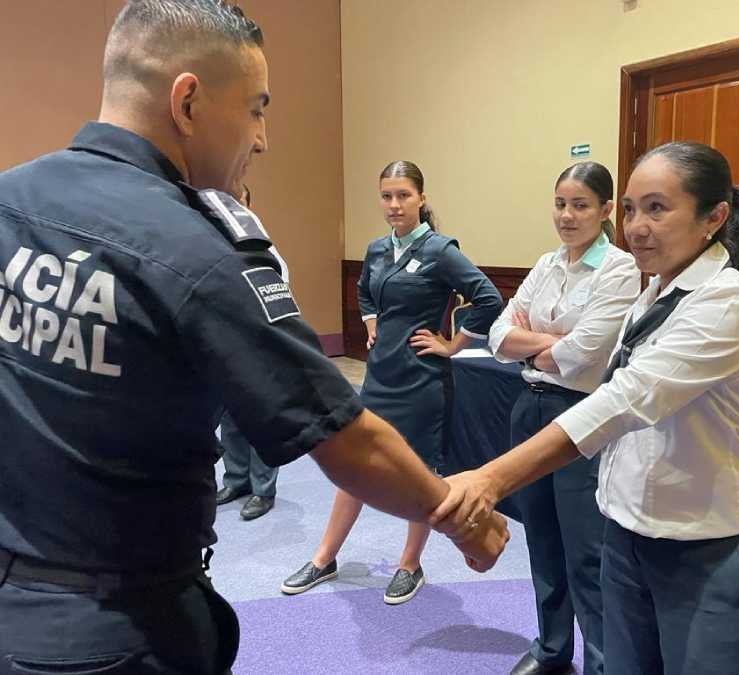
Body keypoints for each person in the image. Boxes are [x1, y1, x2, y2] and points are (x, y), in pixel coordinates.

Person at [0, 2, 507, 673]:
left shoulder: (11, 199)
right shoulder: (199, 252)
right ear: (187, 101)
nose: (262, 137)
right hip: (116, 629)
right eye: (257, 107)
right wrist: (457, 513)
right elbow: (344, 437)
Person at [434, 141, 739, 675]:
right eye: (635, 208)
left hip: (703, 542)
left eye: (658, 208)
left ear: (714, 217)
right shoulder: (656, 291)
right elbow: (510, 333)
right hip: (628, 530)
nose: (637, 226)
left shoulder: (728, 301)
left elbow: (623, 397)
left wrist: (491, 479)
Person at [281, 160, 503, 605]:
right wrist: (369, 320)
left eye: (403, 195)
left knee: (417, 472)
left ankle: (410, 564)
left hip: (422, 379)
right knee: (355, 465)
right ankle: (325, 557)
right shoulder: (379, 249)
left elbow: (488, 297)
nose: (394, 205)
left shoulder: (441, 251)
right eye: (387, 196)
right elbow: (365, 289)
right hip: (380, 374)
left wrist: (453, 344)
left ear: (421, 198)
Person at [488, 162, 639, 675]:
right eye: (560, 204)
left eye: (580, 205)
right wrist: (548, 347)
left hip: (581, 415)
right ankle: (553, 649)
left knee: (586, 551)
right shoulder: (547, 263)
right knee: (542, 538)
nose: (567, 215)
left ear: (605, 210)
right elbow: (496, 336)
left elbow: (589, 354)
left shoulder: (619, 268)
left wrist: (531, 344)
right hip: (528, 408)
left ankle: (601, 662)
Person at [215, 184, 280, 521]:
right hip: (224, 346)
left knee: (259, 422)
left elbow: (278, 303)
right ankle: (236, 479)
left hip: (258, 348)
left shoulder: (262, 249)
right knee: (231, 420)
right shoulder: (214, 246)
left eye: (234, 201)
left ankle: (262, 490)